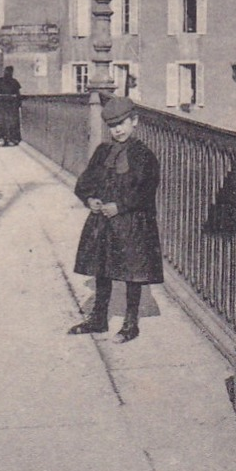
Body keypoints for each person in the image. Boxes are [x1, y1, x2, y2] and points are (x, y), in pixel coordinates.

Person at [68, 95, 163, 344]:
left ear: (135, 122)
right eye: (112, 125)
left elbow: (146, 190)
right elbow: (85, 183)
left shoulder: (144, 155)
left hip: (132, 223)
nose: (117, 130)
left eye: (122, 123)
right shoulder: (103, 152)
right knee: (102, 267)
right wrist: (90, 200)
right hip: (104, 223)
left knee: (133, 273)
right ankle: (99, 318)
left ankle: (131, 323)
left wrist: (120, 206)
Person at [0, 65, 23, 147]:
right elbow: (18, 94)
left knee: (3, 122)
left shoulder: (0, 81)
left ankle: (6, 139)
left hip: (3, 105)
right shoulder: (14, 82)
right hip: (11, 106)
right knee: (11, 123)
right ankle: (11, 139)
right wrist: (18, 103)